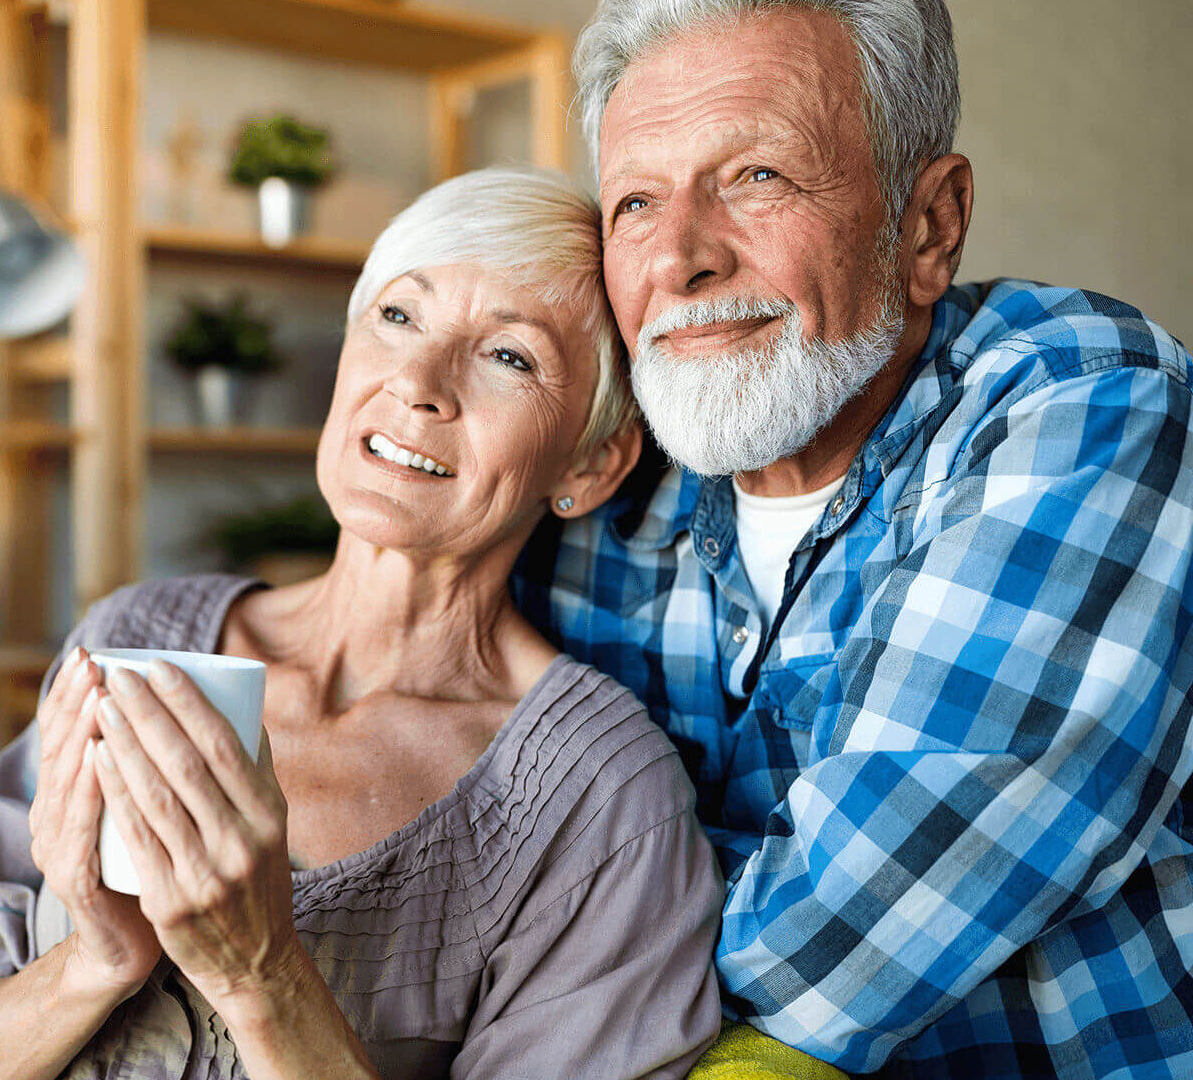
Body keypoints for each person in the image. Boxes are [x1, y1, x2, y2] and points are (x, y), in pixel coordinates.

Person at [0, 167, 724, 1080]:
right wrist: (92, 965)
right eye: (398, 315)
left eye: (509, 357)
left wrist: (261, 973)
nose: (416, 382)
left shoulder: (603, 798)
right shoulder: (135, 637)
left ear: (590, 463)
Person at [508, 1, 1193, 1077]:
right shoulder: (597, 473)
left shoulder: (1087, 400)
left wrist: (528, 953)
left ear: (929, 227)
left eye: (758, 177)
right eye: (635, 201)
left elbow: (850, 935)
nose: (679, 258)